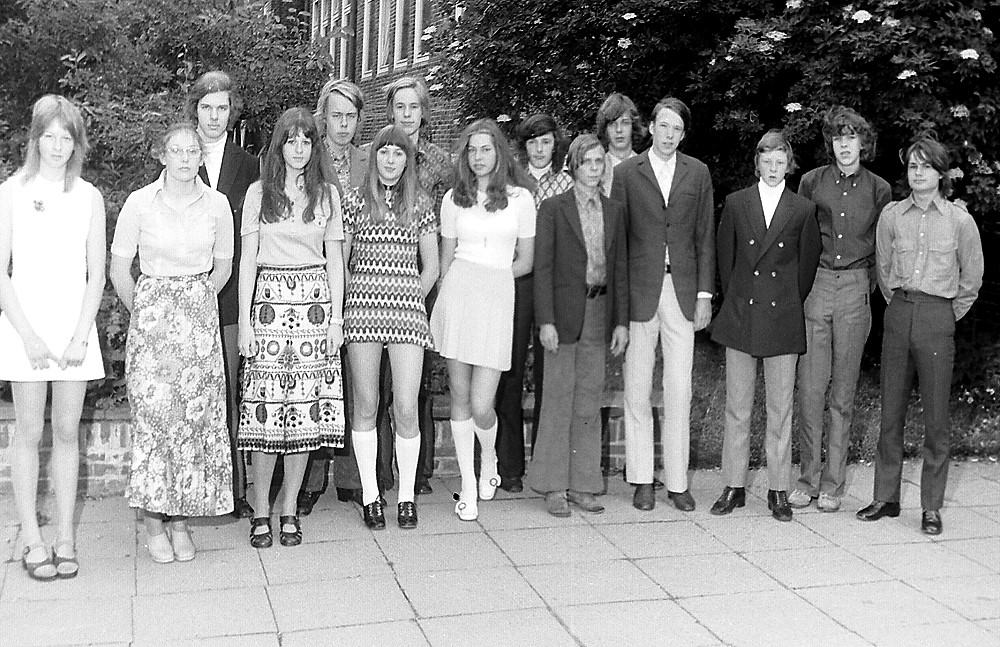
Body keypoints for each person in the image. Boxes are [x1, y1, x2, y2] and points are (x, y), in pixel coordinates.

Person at [110, 122, 234, 563]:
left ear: (201, 157)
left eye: (192, 151)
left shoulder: (218, 205)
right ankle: (153, 525)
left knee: (192, 424)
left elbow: (223, 267)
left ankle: (181, 523)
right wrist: (148, 312)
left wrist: (194, 304)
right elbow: (119, 269)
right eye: (176, 151)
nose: (184, 158)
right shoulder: (139, 203)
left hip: (198, 330)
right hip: (152, 328)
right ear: (162, 156)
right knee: (156, 422)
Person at [0, 95, 106, 580]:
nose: (58, 146)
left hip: (73, 332)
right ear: (35, 139)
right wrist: (27, 336)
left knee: (66, 432)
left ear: (76, 142)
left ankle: (64, 536)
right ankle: (31, 537)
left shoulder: (89, 196)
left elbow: (96, 274)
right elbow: (2, 273)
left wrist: (81, 335)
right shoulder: (11, 192)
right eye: (49, 136)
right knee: (29, 433)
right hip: (26, 328)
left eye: (66, 137)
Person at [858, 136, 983, 535]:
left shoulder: (959, 221)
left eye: (926, 166)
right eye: (913, 166)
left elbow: (971, 279)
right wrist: (900, 306)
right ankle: (886, 497)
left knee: (936, 418)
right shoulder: (892, 216)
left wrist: (945, 315)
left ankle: (931, 506)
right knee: (890, 411)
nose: (918, 173)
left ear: (941, 173)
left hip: (936, 317)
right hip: (899, 313)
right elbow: (883, 269)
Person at [236, 107, 346, 548]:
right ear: (279, 145)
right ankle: (261, 507)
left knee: (303, 414)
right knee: (264, 413)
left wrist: (336, 320)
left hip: (314, 309)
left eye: (306, 140)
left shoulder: (328, 195)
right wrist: (245, 323)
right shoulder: (258, 193)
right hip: (269, 308)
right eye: (291, 140)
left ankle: (289, 507)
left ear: (314, 147)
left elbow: (335, 261)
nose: (299, 148)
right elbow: (247, 261)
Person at [709, 130, 821, 522]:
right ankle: (733, 485)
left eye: (780, 162)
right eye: (766, 161)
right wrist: (740, 298)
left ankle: (777, 488)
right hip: (742, 315)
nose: (773, 169)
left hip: (782, 318)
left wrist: (786, 302)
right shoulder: (737, 203)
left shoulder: (802, 209)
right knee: (737, 408)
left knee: (780, 409)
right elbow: (726, 258)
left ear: (789, 166)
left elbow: (806, 269)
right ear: (756, 163)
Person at [610, 97, 715, 512]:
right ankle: (640, 479)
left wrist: (704, 295)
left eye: (677, 129)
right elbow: (619, 243)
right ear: (651, 127)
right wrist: (620, 305)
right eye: (664, 126)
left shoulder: (698, 172)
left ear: (683, 135)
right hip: (640, 291)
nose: (670, 135)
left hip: (682, 291)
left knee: (679, 390)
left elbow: (705, 236)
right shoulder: (626, 173)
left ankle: (677, 482)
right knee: (637, 388)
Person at [430, 118, 536, 521]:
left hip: (497, 297)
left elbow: (526, 261)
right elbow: (446, 261)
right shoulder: (452, 200)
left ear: (499, 153)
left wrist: (494, 279)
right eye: (471, 150)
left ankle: (488, 457)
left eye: (485, 149)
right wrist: (446, 299)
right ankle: (469, 487)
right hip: (459, 296)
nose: (478, 157)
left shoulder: (521, 199)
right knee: (459, 397)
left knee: (482, 404)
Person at [789, 106, 892, 512]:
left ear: (863, 143)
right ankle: (806, 479)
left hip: (854, 288)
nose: (844, 145)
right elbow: (798, 236)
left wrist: (863, 286)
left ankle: (833, 484)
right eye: (838, 138)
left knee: (843, 395)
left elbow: (882, 246)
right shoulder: (811, 182)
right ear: (830, 143)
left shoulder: (879, 189)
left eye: (851, 137)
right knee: (811, 389)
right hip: (816, 285)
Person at [343, 125, 439, 530]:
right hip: (363, 310)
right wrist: (355, 295)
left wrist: (410, 295)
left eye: (398, 153)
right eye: (384, 152)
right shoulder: (353, 200)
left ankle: (406, 497)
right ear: (374, 156)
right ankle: (370, 496)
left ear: (407, 160)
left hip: (406, 313)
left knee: (406, 406)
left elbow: (432, 265)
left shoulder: (420, 203)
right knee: (366, 403)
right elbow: (343, 261)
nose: (390, 159)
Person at [527, 133, 628, 517]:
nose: (594, 168)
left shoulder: (614, 210)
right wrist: (545, 321)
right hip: (564, 313)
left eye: (600, 162)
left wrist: (621, 322)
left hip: (600, 311)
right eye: (587, 162)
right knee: (557, 397)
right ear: (573, 167)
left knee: (588, 398)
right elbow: (542, 269)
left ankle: (584, 484)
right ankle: (554, 486)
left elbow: (620, 270)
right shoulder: (553, 209)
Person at [371, 76, 452, 497]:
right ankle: (380, 473)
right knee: (376, 384)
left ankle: (416, 474)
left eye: (414, 107)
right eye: (399, 107)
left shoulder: (440, 162)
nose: (407, 114)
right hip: (378, 280)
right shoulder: (377, 154)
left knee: (416, 386)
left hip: (424, 278)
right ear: (391, 112)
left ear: (424, 112)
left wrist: (417, 293)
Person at [187, 70, 260, 519]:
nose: (214, 116)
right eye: (207, 107)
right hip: (186, 294)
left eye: (222, 108)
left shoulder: (248, 165)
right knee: (189, 393)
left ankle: (233, 490)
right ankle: (187, 490)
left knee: (230, 391)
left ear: (232, 113)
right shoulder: (179, 156)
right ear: (195, 110)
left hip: (231, 297)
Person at [296, 78, 371, 514]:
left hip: (362, 284)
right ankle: (309, 481)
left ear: (360, 119)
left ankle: (351, 478)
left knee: (358, 384)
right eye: (335, 115)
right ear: (323, 117)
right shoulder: (306, 154)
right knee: (315, 380)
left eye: (350, 116)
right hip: (313, 285)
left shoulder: (370, 160)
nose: (343, 124)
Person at [495, 114, 574, 494]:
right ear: (523, 146)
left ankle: (546, 465)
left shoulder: (568, 182)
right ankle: (509, 466)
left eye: (546, 141)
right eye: (532, 142)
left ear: (555, 144)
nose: (539, 149)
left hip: (555, 284)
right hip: (519, 281)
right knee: (508, 371)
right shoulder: (511, 183)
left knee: (549, 374)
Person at [595, 92, 645, 198]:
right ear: (605, 129)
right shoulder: (595, 169)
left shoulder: (646, 167)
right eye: (612, 124)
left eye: (625, 123)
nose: (619, 130)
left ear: (633, 126)